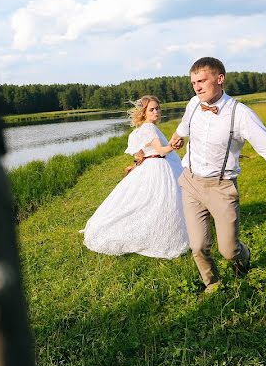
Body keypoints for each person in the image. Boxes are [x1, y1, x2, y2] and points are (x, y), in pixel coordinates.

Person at [169, 57, 266, 293]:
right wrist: (178, 135)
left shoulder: (241, 114)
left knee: (229, 249)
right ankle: (212, 284)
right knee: (198, 246)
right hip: (191, 182)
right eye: (193, 83)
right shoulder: (194, 103)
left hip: (221, 188)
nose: (197, 87)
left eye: (202, 81)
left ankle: (243, 257)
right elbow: (185, 124)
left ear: (220, 79)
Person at [81, 96, 190, 259]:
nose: (156, 112)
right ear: (144, 112)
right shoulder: (149, 128)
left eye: (157, 108)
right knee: (160, 200)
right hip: (158, 167)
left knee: (154, 201)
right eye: (151, 109)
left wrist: (137, 163)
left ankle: (161, 227)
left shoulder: (144, 129)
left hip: (154, 165)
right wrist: (172, 145)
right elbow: (160, 150)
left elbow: (141, 155)